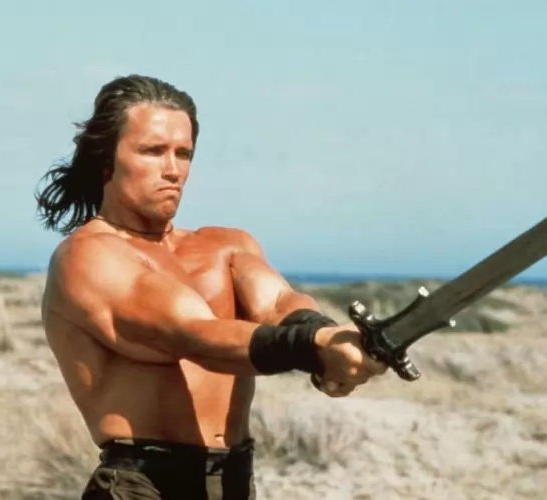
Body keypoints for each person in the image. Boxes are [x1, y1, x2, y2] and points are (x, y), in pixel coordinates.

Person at [35, 74, 389, 499]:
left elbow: (278, 304)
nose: (173, 170)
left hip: (234, 481)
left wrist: (331, 339)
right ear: (105, 160)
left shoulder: (226, 245)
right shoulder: (87, 256)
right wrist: (310, 347)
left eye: (183, 153)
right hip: (141, 484)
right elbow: (193, 335)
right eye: (152, 151)